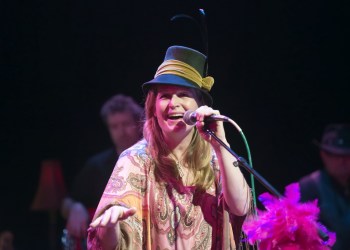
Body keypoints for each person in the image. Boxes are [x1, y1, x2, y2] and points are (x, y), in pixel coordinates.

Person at [87, 45, 252, 249]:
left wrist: (221, 144)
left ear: (199, 106)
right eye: (165, 96)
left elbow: (240, 208)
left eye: (183, 94)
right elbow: (106, 244)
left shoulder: (216, 157)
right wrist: (109, 228)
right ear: (153, 108)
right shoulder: (136, 160)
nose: (173, 103)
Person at [61, 94, 144, 249]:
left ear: (137, 123)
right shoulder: (97, 165)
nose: (121, 131)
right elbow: (67, 202)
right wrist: (75, 208)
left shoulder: (152, 160)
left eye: (126, 123)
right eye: (114, 126)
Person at [299, 123, 350, 250]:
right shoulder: (309, 186)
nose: (341, 161)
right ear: (323, 154)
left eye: (346, 155)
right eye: (335, 155)